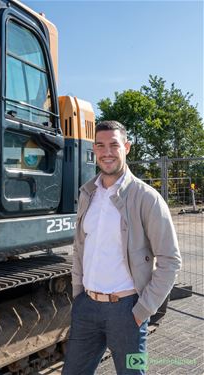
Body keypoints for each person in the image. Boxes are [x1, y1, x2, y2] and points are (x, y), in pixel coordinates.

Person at [62, 121, 181, 374]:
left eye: (114, 145)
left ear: (126, 147)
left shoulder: (147, 198)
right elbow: (80, 248)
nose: (107, 152)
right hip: (87, 308)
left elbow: (170, 260)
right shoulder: (87, 194)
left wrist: (142, 311)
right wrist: (78, 296)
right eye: (101, 145)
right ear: (94, 149)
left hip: (127, 312)